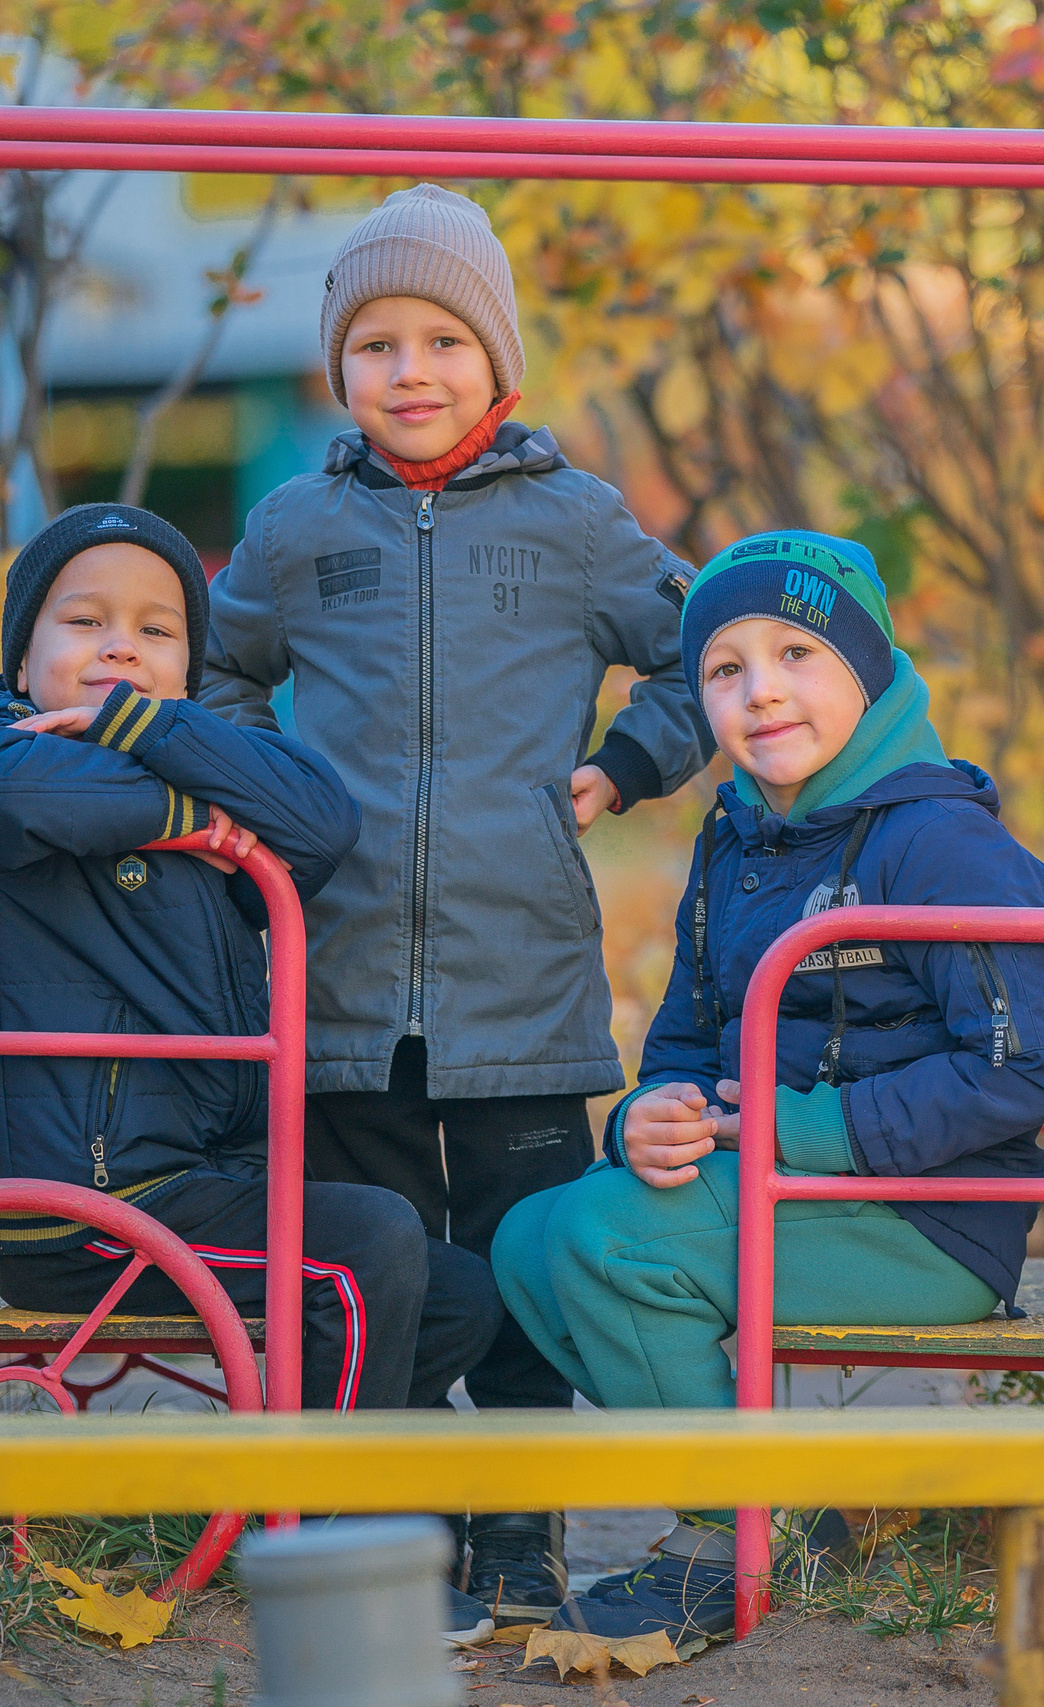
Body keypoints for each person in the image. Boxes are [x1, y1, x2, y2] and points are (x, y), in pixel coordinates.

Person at [198, 183, 716, 1620]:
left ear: (497, 359)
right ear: (338, 367)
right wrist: (257, 794)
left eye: (441, 339)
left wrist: (625, 762)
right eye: (374, 344)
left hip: (522, 975)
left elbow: (706, 650)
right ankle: (406, 1524)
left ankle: (519, 1530)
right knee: (394, 1274)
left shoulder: (578, 523)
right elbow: (221, 667)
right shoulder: (299, 526)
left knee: (523, 1271)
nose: (409, 371)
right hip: (346, 965)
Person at [0, 502, 505, 1645]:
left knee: (458, 1292)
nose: (116, 649)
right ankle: (330, 1560)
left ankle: (303, 1498)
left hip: (188, 1175)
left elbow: (321, 817)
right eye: (82, 623)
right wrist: (202, 810)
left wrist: (152, 732)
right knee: (369, 1244)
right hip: (83, 1201)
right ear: (21, 653)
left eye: (154, 632)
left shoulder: (171, 735)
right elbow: (44, 799)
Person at [494, 530, 1044, 1642]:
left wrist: (794, 1130)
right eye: (725, 668)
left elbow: (1027, 1065)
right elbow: (687, 1035)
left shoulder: (940, 842)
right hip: (782, 1183)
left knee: (610, 1244)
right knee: (528, 1239)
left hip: (925, 1219)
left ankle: (727, 1543)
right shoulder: (739, 838)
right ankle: (784, 1522)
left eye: (797, 653)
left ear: (866, 666)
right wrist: (643, 1119)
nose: (761, 692)